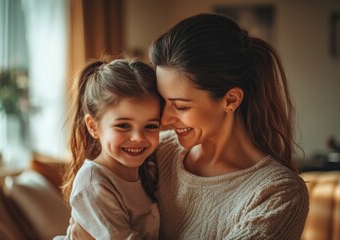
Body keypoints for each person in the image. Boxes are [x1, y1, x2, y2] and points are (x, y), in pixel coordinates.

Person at [70, 13, 309, 239]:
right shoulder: (157, 153)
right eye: (164, 102)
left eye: (181, 106)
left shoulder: (277, 193)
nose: (163, 121)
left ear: (230, 100)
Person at [54, 58, 162, 240]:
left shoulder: (150, 170)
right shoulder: (93, 185)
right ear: (93, 127)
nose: (138, 138)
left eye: (151, 126)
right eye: (123, 126)